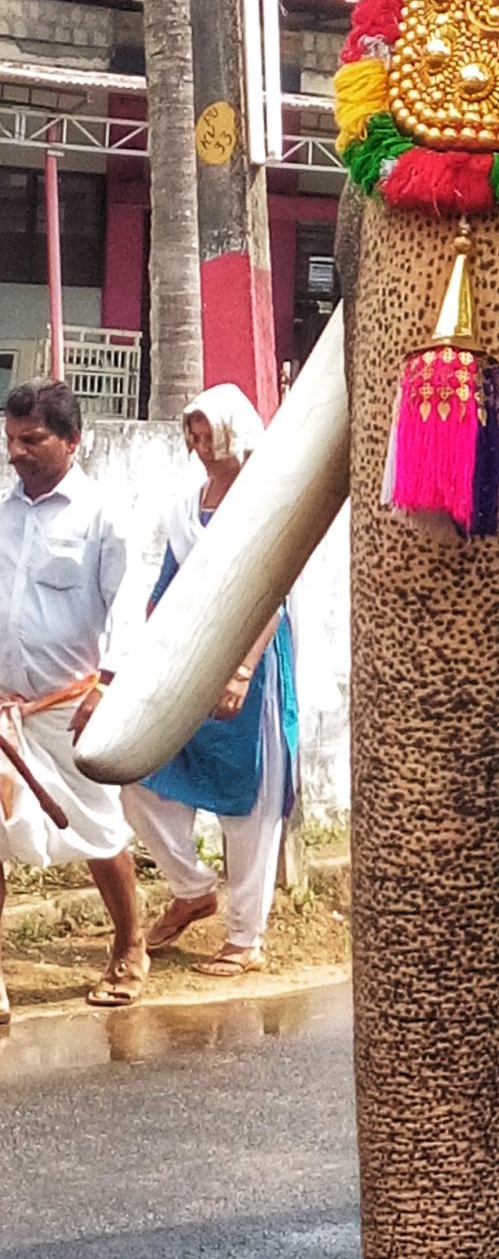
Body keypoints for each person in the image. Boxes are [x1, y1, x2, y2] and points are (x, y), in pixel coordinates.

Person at [122, 385, 299, 978]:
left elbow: (271, 590)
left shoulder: (266, 499)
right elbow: (167, 583)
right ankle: (192, 886)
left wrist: (243, 670)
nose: (199, 446)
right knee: (142, 776)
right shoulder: (187, 502)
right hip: (187, 657)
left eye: (208, 435)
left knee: (251, 798)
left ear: (235, 432)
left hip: (252, 664)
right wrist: (149, 651)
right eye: (192, 436)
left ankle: (246, 939)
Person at [0, 379, 147, 1016]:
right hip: (5, 708)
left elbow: (129, 607)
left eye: (31, 439)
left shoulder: (103, 516)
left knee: (100, 833)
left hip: (73, 704)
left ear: (72, 441)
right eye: (10, 440)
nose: (17, 452)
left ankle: (129, 944)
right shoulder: (2, 511)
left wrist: (108, 686)